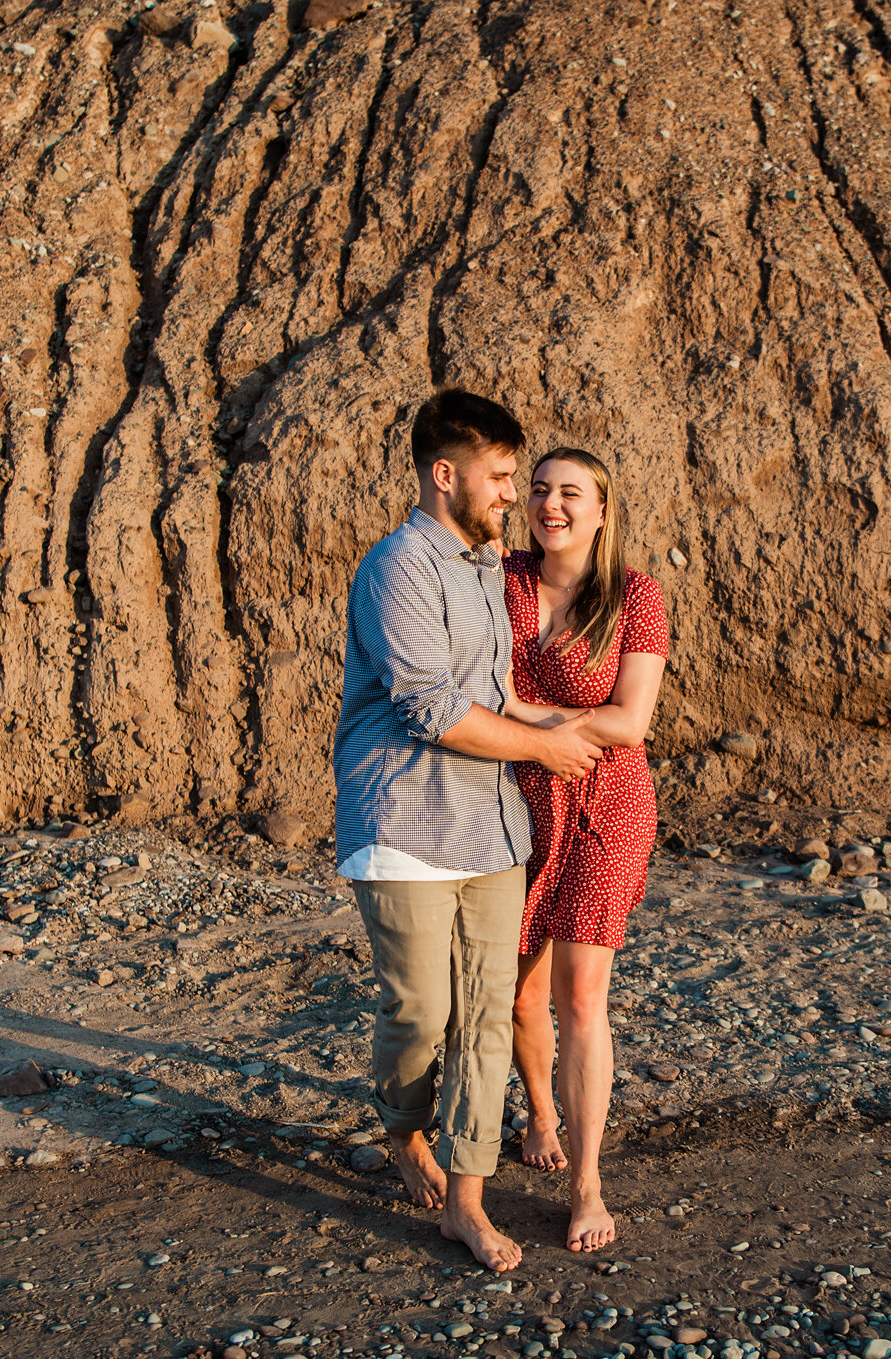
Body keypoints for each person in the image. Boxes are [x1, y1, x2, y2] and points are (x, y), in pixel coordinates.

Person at [332, 390, 605, 1273]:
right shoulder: (397, 566)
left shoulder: (487, 568)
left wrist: (566, 726)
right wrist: (541, 745)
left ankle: (467, 1201)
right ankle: (405, 1128)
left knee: (487, 1017)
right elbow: (429, 707)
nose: (509, 495)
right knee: (421, 1013)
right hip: (404, 821)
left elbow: (492, 692)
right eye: (497, 478)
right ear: (444, 475)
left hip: (492, 828)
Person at [499, 448, 670, 1253]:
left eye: (571, 493)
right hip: (515, 799)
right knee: (521, 994)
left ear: (602, 509)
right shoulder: (500, 578)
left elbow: (630, 722)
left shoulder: (635, 594)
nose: (551, 504)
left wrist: (526, 720)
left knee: (579, 996)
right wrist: (553, 726)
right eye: (540, 490)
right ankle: (538, 1110)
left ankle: (588, 1182)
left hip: (608, 798)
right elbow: (476, 692)